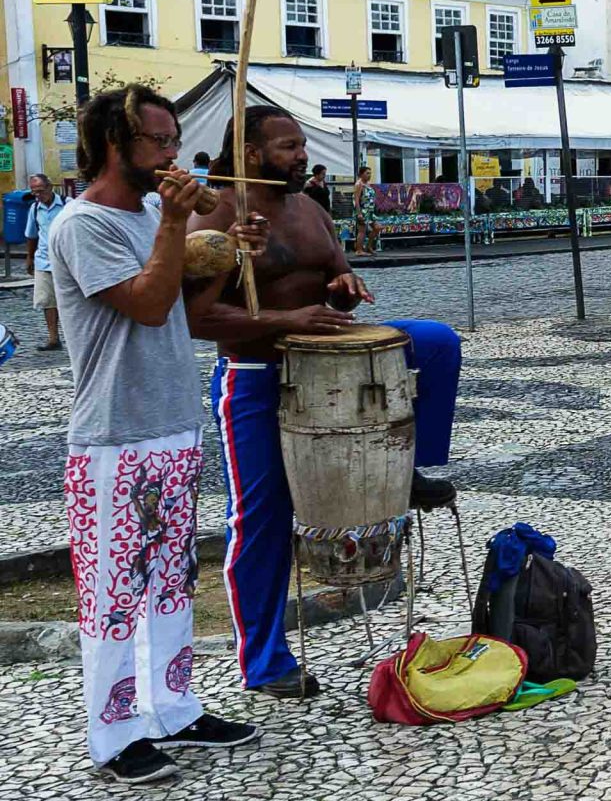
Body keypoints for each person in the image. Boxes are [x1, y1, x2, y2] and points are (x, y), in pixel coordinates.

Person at [184, 108, 462, 699]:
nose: (302, 155)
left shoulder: (310, 208)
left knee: (436, 343)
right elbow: (197, 319)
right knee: (260, 517)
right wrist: (287, 317)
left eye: (302, 144)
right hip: (257, 372)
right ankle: (263, 659)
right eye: (289, 146)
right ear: (252, 153)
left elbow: (339, 280)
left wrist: (344, 288)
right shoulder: (216, 211)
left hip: (330, 357)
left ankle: (415, 469)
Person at [49, 86, 263, 783]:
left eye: (174, 141)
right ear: (118, 144)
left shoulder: (148, 212)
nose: (175, 154)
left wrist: (230, 255)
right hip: (113, 438)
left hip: (171, 424)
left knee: (171, 582)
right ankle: (114, 734)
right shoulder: (82, 226)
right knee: (113, 593)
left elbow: (184, 313)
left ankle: (174, 707)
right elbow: (142, 306)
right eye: (161, 141)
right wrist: (175, 223)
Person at [24, 173, 67, 350]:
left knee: (69, 300)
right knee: (47, 300)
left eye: (41, 191)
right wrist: (29, 257)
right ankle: (53, 338)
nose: (38, 195)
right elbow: (32, 235)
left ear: (50, 187)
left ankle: (74, 336)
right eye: (34, 192)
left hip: (65, 261)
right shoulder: (34, 209)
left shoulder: (68, 204)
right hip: (43, 259)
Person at [352, 167, 379, 257]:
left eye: (370, 173)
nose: (369, 175)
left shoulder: (367, 183)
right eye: (367, 173)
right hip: (363, 210)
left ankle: (368, 246)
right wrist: (359, 213)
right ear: (361, 174)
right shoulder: (359, 184)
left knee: (377, 228)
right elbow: (356, 199)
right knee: (362, 231)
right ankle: (359, 250)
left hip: (370, 210)